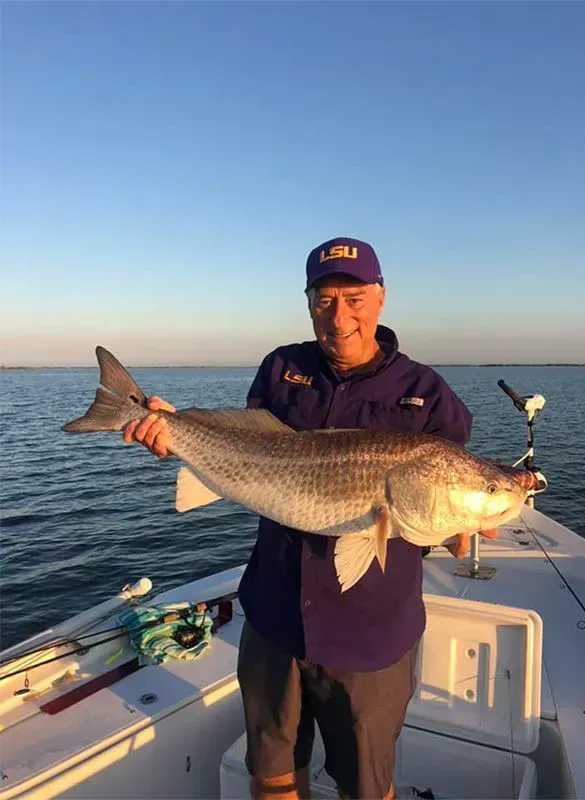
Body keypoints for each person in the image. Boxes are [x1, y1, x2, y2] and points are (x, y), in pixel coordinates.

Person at [123, 236, 497, 800]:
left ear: (380, 297)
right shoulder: (282, 367)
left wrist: (469, 520)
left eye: (354, 298)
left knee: (367, 788)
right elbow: (241, 441)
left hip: (370, 637)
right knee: (271, 777)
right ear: (307, 302)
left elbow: (447, 507)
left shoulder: (427, 393)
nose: (339, 316)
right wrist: (177, 428)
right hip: (275, 618)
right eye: (324, 300)